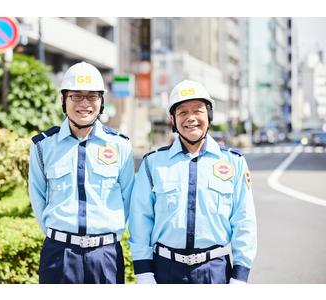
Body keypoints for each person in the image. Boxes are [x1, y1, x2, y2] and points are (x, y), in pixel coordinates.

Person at [128, 80, 257, 284]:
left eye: (198, 110)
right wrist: (144, 273)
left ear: (209, 115)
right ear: (173, 119)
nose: (191, 118)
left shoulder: (234, 162)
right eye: (182, 112)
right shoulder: (153, 164)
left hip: (214, 271)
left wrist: (240, 277)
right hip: (165, 270)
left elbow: (244, 221)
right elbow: (140, 219)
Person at [28, 61, 135, 284]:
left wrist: (107, 235)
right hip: (59, 254)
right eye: (76, 96)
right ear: (63, 100)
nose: (84, 104)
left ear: (101, 102)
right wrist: (59, 236)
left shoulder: (120, 145)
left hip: (105, 256)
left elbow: (128, 197)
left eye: (92, 96)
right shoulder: (43, 146)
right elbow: (37, 197)